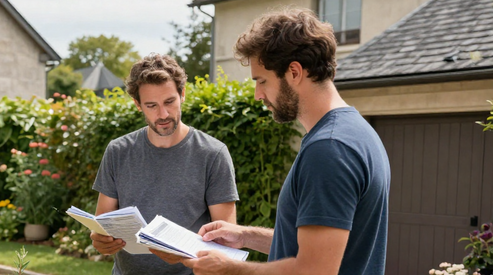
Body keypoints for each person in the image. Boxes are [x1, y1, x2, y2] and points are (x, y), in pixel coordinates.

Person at [158, 8, 391, 275]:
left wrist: (229, 269)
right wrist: (245, 236)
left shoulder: (329, 149)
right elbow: (322, 246)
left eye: (262, 81)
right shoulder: (357, 133)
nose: (258, 95)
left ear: (294, 72)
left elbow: (313, 270)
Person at [90, 53, 240, 275]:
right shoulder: (118, 151)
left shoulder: (213, 154)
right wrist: (100, 240)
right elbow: (103, 223)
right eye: (151, 105)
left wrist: (182, 253)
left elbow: (226, 240)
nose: (163, 114)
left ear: (182, 94)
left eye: (169, 102)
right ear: (138, 105)